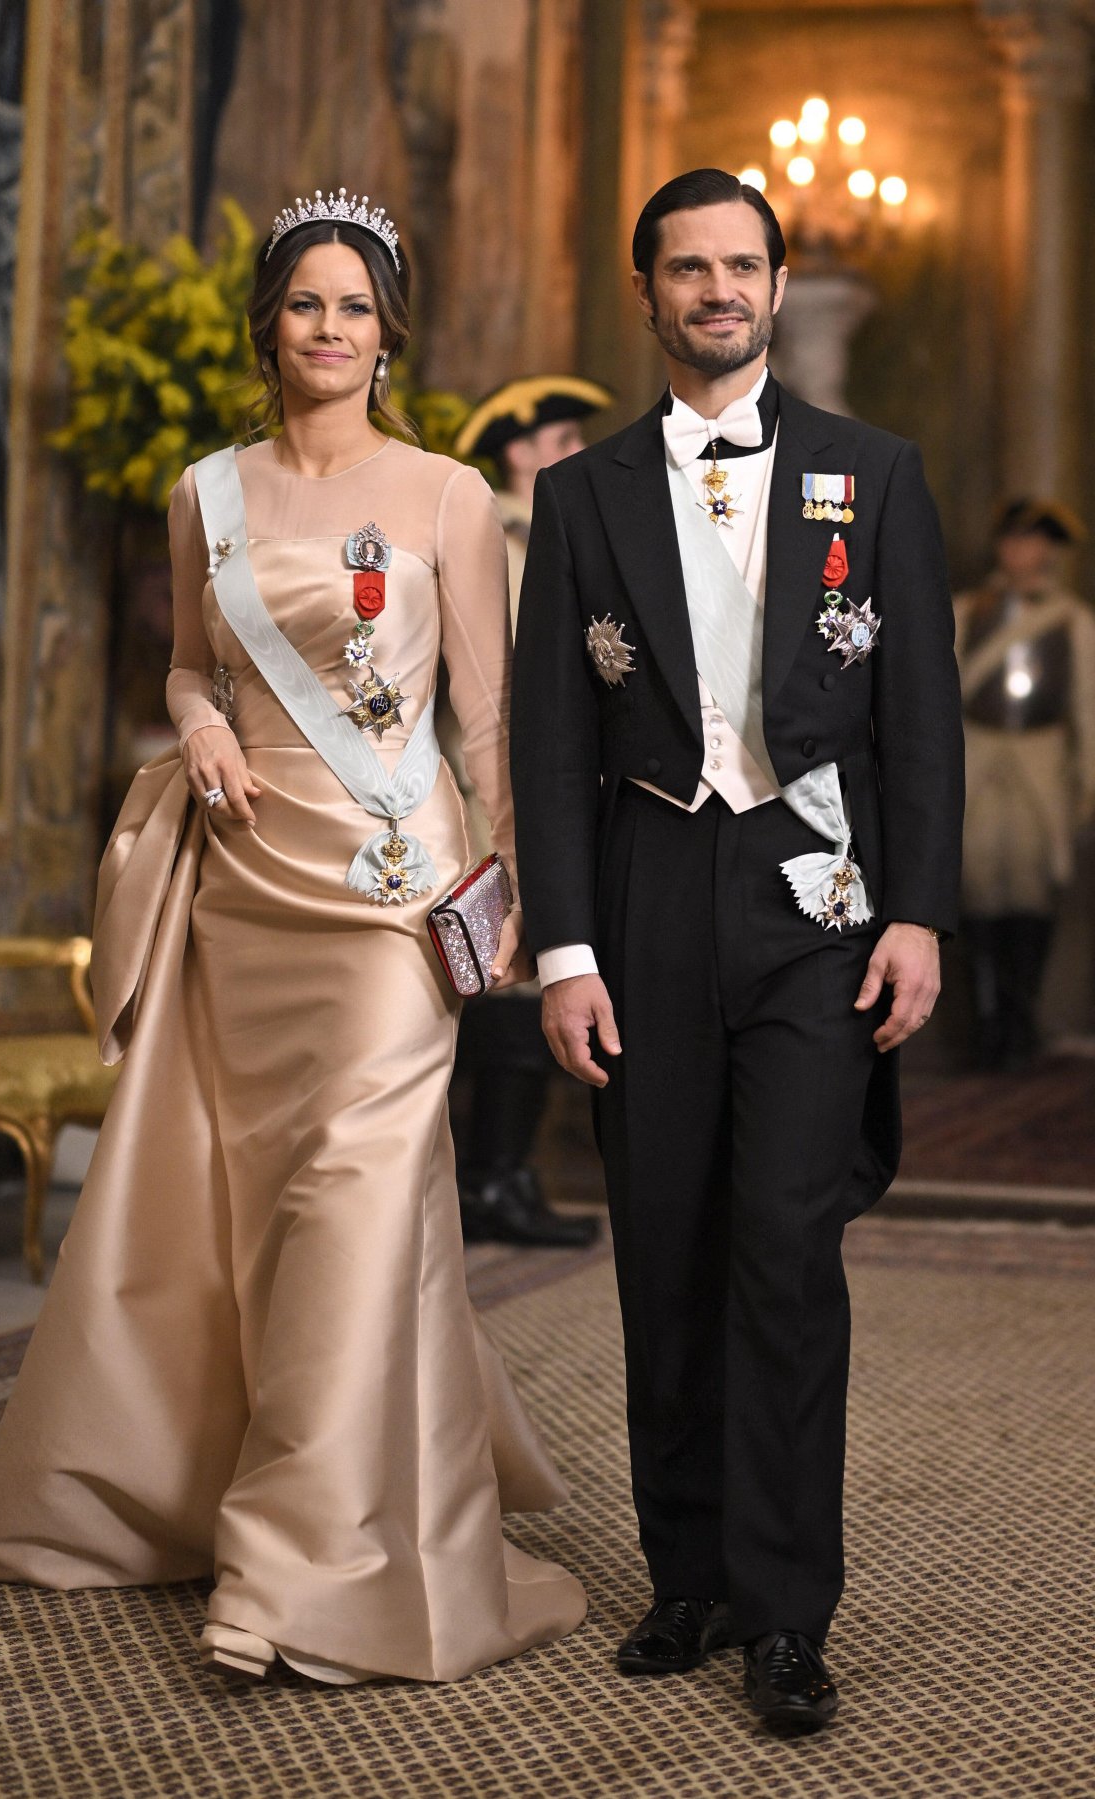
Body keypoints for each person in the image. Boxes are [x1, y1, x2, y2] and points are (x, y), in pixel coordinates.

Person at [0, 188, 586, 1685]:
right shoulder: (204, 489)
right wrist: (198, 730)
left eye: (357, 306)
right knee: (260, 1208)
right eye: (306, 302)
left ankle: (287, 1567)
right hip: (247, 882)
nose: (330, 329)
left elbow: (483, 715)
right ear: (268, 323)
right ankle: (247, 1491)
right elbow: (183, 666)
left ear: (389, 330)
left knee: (356, 1200)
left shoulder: (443, 496)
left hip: (389, 895)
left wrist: (514, 896)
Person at [511, 169, 963, 1731]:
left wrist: (919, 910)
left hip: (814, 895)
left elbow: (923, 720)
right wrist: (562, 948)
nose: (718, 289)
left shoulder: (876, 472)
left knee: (784, 1248)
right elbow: (547, 733)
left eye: (742, 265)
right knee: (666, 1236)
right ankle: (686, 1569)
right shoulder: (581, 496)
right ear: (646, 292)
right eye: (687, 267)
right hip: (642, 883)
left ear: (775, 284)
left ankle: (785, 1609)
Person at [447, 377, 613, 1247]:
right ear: (521, 452)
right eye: (565, 438)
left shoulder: (554, 528)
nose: (581, 450)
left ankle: (500, 1173)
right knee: (506, 982)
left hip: (549, 782)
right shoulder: (499, 541)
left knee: (530, 979)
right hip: (494, 791)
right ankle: (488, 1180)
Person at [955, 499, 1095, 1068]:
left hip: (1040, 758)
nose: (1023, 552)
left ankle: (1021, 1015)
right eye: (1014, 539)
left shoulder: (1072, 620)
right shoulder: (965, 612)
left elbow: (1086, 704)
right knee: (976, 883)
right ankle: (987, 1023)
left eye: (1035, 541)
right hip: (978, 754)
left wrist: (1087, 779)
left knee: (1034, 888)